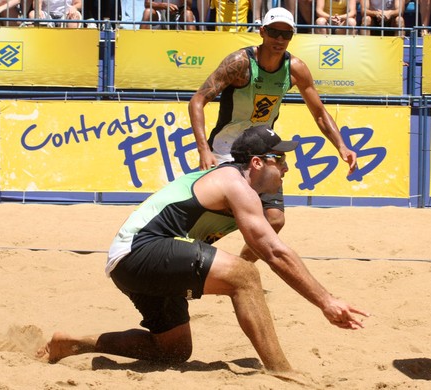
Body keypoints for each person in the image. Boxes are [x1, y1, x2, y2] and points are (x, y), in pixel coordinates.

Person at [37, 125, 369, 375]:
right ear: (256, 162)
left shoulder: (246, 191)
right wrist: (326, 301)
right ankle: (284, 374)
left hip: (132, 263)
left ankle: (73, 342)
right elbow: (274, 252)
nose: (286, 167)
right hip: (142, 251)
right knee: (246, 276)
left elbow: (272, 231)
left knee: (173, 351)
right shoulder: (233, 183)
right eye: (279, 159)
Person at [187, 7, 357, 261]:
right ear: (262, 32)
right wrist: (203, 150)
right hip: (225, 148)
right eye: (275, 32)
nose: (280, 40)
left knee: (275, 220)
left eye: (286, 34)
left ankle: (242, 266)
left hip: (262, 146)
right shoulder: (240, 63)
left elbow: (319, 113)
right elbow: (197, 101)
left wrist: (341, 146)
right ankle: (186, 253)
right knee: (218, 217)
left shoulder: (295, 68)